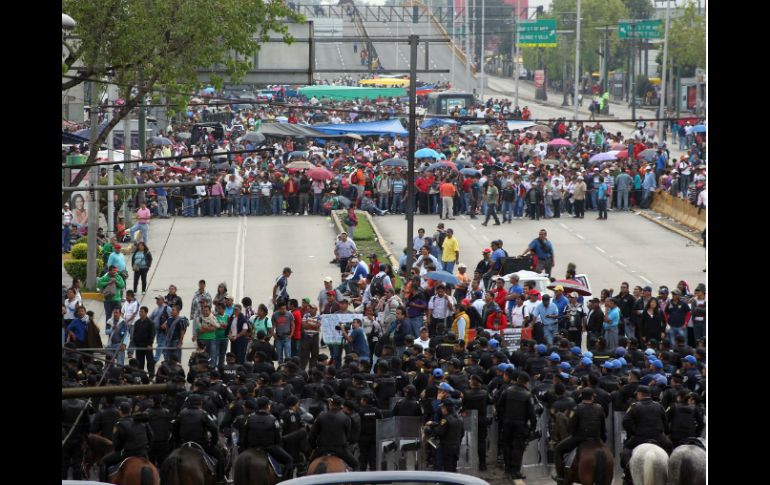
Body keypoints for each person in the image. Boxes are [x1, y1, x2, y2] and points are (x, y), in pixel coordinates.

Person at [552, 388, 607, 482]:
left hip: (579, 439)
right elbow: (603, 428)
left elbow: (570, 428)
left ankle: (560, 476)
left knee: (558, 449)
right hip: (596, 439)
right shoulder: (600, 408)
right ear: (592, 397)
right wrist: (602, 440)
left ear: (581, 397)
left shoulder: (576, 408)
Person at [621, 385, 672, 481]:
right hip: (658, 437)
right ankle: (670, 473)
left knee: (626, 449)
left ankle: (627, 473)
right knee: (669, 447)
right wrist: (663, 432)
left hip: (639, 438)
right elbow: (665, 422)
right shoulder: (659, 406)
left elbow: (625, 422)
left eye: (637, 394)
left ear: (640, 394)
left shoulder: (634, 406)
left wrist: (635, 431)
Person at [173, 394, 224, 481]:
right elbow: (213, 428)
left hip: (184, 444)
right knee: (221, 456)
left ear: (188, 403)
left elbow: (174, 428)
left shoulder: (181, 413)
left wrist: (177, 442)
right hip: (200, 444)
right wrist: (212, 443)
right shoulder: (203, 413)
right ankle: (221, 480)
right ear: (200, 403)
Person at [241, 396, 294, 481]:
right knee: (289, 460)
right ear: (268, 406)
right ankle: (286, 481)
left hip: (251, 448)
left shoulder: (249, 418)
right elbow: (278, 439)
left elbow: (243, 437)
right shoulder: (273, 419)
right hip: (269, 448)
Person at [497, 372, 537, 480]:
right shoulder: (527, 394)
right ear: (526, 382)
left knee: (507, 445)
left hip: (507, 423)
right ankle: (515, 471)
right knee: (518, 447)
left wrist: (504, 418)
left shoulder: (507, 391)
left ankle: (508, 468)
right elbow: (532, 414)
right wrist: (533, 428)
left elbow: (499, 406)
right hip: (520, 424)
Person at [99, 402, 152, 482]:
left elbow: (116, 444)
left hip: (126, 453)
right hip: (143, 452)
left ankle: (103, 483)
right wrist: (147, 449)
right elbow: (151, 436)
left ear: (120, 411)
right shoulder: (140, 421)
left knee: (103, 461)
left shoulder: (119, 424)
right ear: (130, 410)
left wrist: (118, 450)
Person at [308, 395, 359, 469]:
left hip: (322, 449)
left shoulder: (321, 416)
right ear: (340, 406)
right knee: (355, 465)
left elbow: (311, 437)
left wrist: (315, 447)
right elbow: (347, 436)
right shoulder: (346, 418)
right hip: (340, 450)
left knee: (309, 466)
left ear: (330, 404)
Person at [426, 400, 464, 472]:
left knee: (447, 467)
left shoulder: (445, 419)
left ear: (446, 408)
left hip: (447, 447)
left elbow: (439, 432)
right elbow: (462, 433)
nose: (441, 410)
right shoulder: (459, 418)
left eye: (442, 408)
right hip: (456, 446)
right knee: (453, 466)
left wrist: (431, 429)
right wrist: (434, 423)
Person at [133, 306, 156, 378]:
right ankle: (141, 376)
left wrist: (150, 344)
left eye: (142, 312)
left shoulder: (150, 323)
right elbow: (135, 333)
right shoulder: (137, 322)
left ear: (146, 313)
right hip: (139, 346)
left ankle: (151, 376)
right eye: (140, 312)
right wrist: (135, 342)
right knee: (139, 362)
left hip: (147, 346)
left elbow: (152, 334)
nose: (140, 313)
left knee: (150, 362)